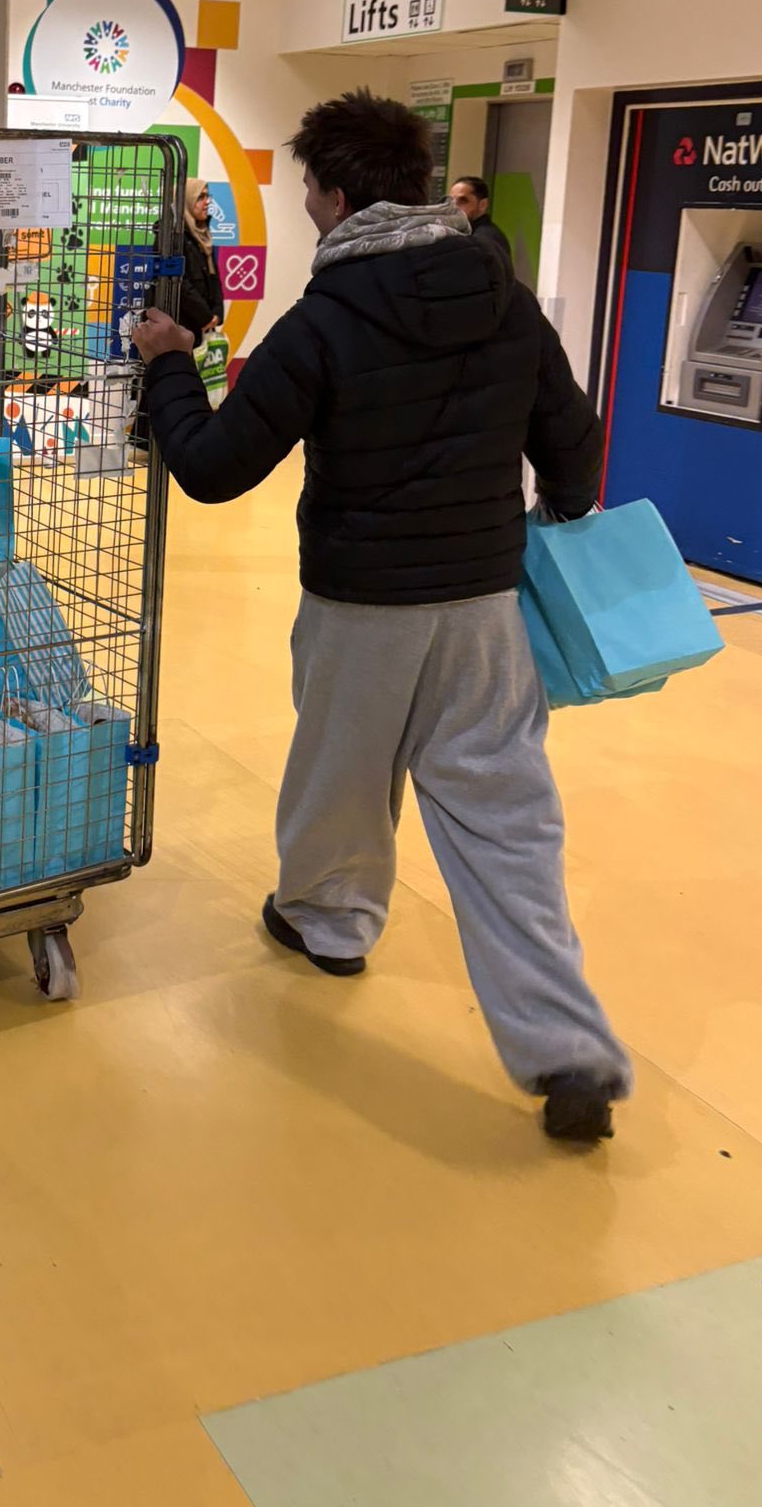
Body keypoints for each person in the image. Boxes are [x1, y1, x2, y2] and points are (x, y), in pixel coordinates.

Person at [135, 90, 630, 1146]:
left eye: (308, 186)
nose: (306, 203)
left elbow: (217, 469)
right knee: (508, 819)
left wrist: (169, 362)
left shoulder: (327, 318)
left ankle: (330, 922)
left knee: (341, 776)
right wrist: (550, 516)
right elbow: (575, 448)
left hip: (363, 604)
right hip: (487, 605)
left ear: (338, 192)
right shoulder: (508, 297)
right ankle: (567, 1045)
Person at [181, 177, 225, 342]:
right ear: (186, 200)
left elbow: (214, 279)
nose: (207, 202)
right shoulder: (173, 237)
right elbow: (180, 284)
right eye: (200, 197)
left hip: (204, 327)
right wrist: (205, 316)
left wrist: (217, 314)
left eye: (207, 196)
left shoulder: (203, 234)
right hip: (183, 327)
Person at [450, 175, 513, 271]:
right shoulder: (468, 233)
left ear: (482, 205)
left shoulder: (485, 238)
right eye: (451, 202)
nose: (454, 207)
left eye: (463, 201)